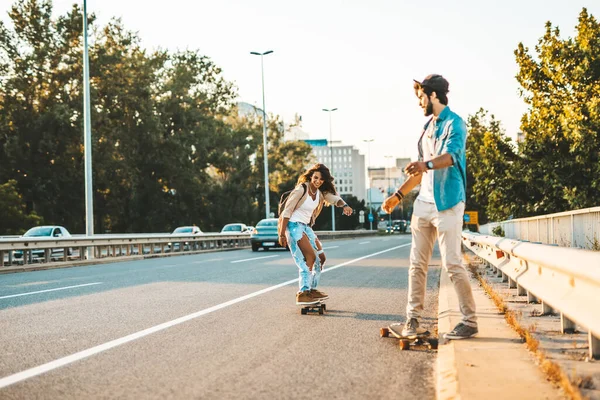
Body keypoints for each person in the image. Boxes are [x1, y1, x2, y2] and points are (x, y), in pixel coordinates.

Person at [382, 74, 478, 340]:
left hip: (447, 203)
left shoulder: (455, 123)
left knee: (452, 263)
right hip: (423, 204)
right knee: (417, 265)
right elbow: (419, 169)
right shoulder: (427, 128)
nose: (419, 103)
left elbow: (449, 157)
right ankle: (412, 321)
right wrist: (398, 196)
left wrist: (426, 165)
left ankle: (470, 321)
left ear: (433, 95)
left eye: (421, 97)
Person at [278, 163, 353, 305]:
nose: (318, 181)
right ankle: (303, 292)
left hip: (305, 227)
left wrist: (345, 206)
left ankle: (311, 290)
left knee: (321, 258)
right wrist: (282, 234)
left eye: (321, 179)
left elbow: (334, 199)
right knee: (309, 257)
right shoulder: (302, 189)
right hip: (293, 226)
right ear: (311, 176)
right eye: (316, 178)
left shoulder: (320, 193)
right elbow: (286, 211)